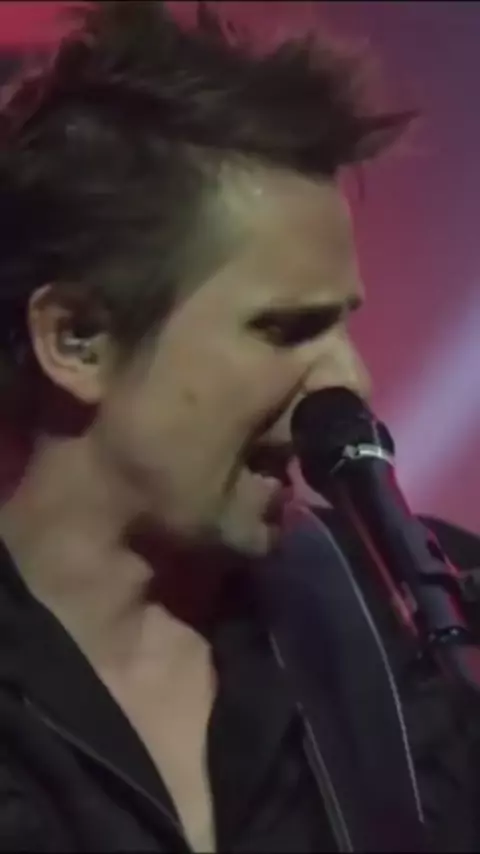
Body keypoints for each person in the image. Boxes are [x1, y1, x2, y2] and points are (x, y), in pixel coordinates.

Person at [0, 2, 478, 851]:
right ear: (76, 339)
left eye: (343, 325)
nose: (350, 380)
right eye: (285, 329)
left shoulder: (414, 626)